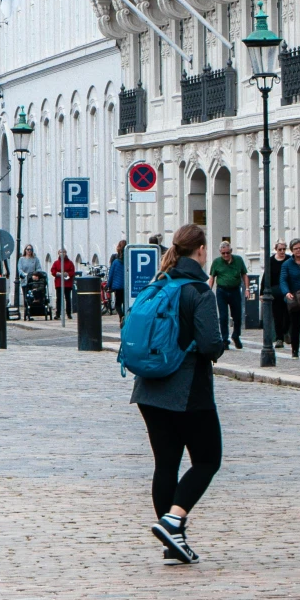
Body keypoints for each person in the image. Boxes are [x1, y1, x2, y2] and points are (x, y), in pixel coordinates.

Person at [128, 221, 225, 565]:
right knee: (208, 459)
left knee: (166, 464)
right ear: (200, 251)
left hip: (148, 390)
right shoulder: (199, 291)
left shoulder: (159, 282)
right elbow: (212, 345)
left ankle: (173, 544)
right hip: (187, 391)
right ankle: (174, 518)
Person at [209, 237, 247, 350]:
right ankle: (225, 339)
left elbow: (244, 274)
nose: (226, 255)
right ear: (221, 253)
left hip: (235, 290)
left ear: (231, 251)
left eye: (227, 252)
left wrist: (247, 289)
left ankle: (236, 335)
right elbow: (212, 277)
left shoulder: (238, 260)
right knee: (223, 316)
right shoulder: (216, 262)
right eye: (223, 253)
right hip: (222, 291)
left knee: (237, 315)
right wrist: (208, 291)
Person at [51, 249, 76, 319]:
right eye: (61, 252)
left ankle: (69, 313)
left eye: (64, 252)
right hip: (59, 283)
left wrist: (67, 274)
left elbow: (72, 271)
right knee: (59, 299)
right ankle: (58, 314)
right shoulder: (56, 263)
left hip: (67, 283)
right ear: (58, 253)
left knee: (68, 299)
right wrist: (57, 273)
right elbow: (53, 271)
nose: (62, 254)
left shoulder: (70, 263)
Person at [107, 241, 126, 319]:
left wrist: (108, 285)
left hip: (117, 286)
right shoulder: (129, 261)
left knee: (117, 304)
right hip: (126, 286)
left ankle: (121, 316)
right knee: (126, 303)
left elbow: (111, 274)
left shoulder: (115, 262)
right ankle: (125, 318)